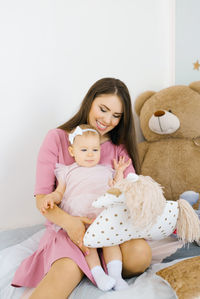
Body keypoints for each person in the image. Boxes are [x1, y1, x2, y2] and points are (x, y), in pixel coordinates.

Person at [12, 77, 152, 299]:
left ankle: (102, 269)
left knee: (140, 255)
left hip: (108, 230)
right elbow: (42, 199)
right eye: (103, 109)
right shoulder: (57, 139)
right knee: (64, 272)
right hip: (69, 230)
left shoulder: (119, 150)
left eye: (116, 115)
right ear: (90, 102)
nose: (107, 120)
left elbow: (133, 190)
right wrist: (71, 224)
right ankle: (84, 266)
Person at [40, 124, 131, 291]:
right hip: (80, 218)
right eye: (84, 150)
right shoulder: (66, 171)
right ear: (72, 151)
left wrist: (119, 172)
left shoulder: (105, 170)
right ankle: (99, 276)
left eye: (94, 150)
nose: (90, 154)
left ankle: (116, 277)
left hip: (103, 216)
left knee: (111, 242)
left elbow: (116, 187)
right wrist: (52, 197)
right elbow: (59, 192)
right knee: (87, 246)